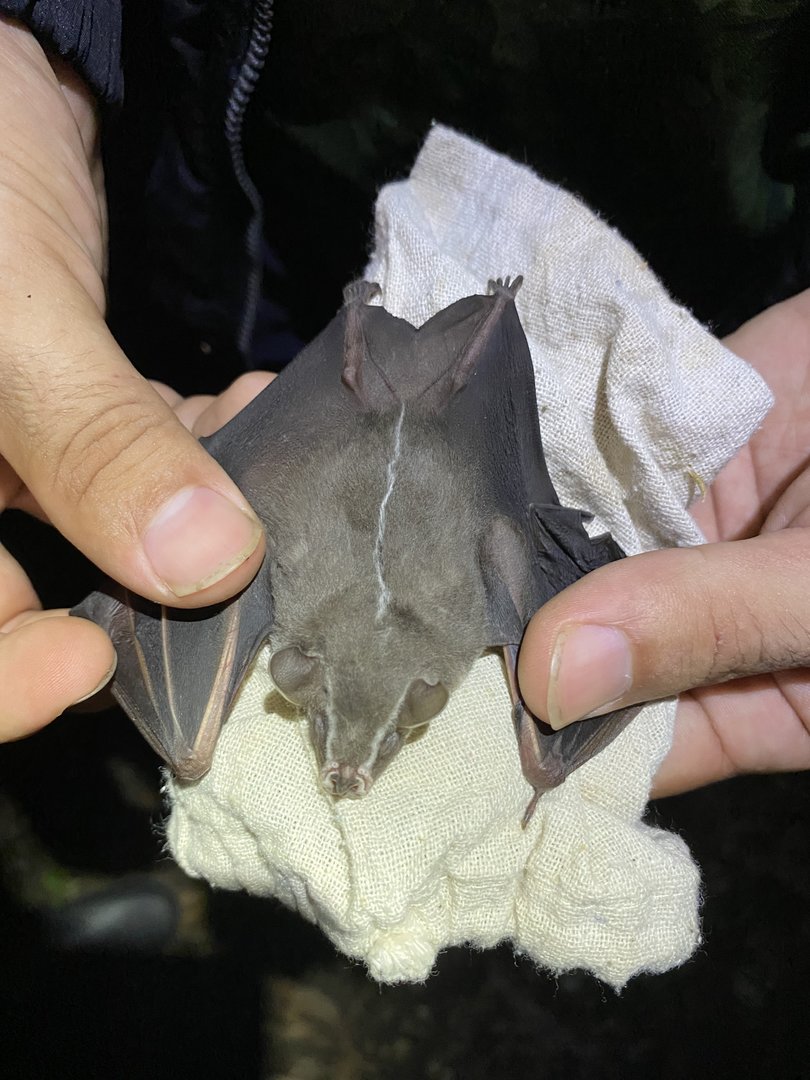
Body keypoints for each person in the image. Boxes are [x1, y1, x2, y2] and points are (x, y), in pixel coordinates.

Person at [0, 10, 807, 800]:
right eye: (373, 744)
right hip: (331, 270)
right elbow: (504, 541)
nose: (348, 771)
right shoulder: (466, 587)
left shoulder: (434, 588)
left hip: (379, 362)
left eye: (336, 740)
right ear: (427, 701)